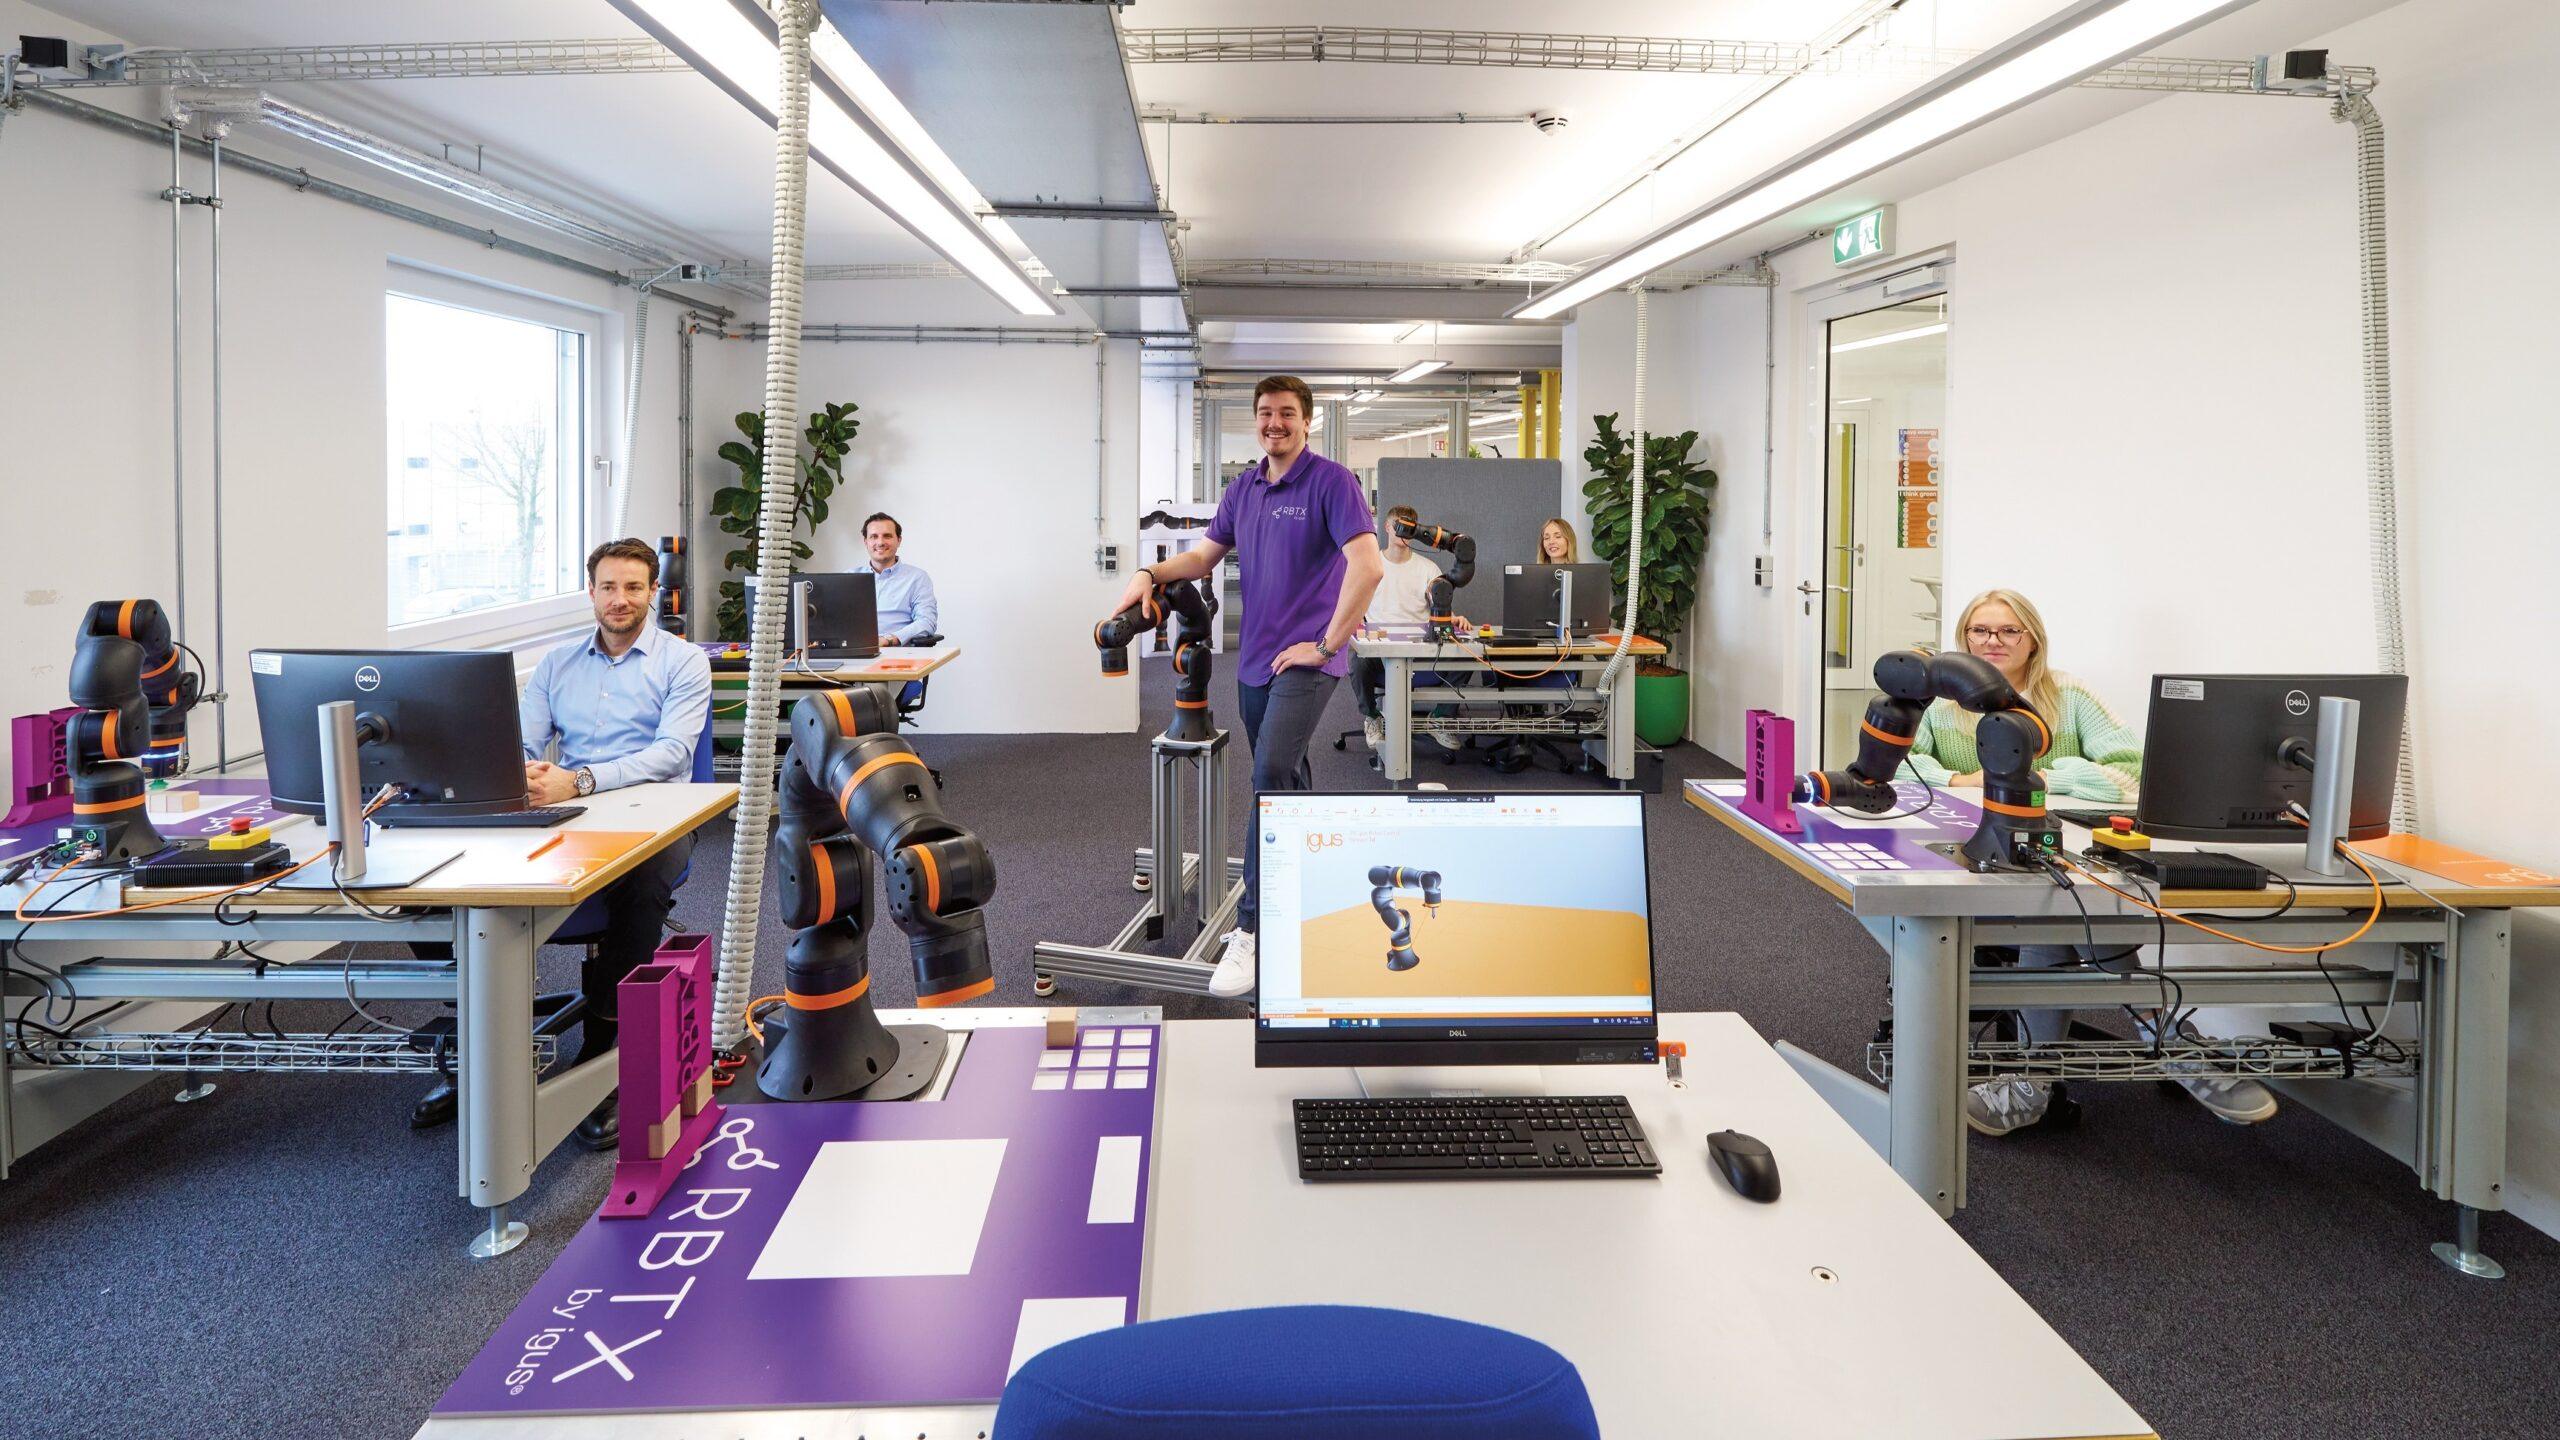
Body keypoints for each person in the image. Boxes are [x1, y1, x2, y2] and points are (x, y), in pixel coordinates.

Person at [1904, 587, 2275, 1137]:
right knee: (2067, 907)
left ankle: (2032, 1083)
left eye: (2008, 630)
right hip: (1967, 859)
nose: (1992, 641)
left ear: (2033, 640)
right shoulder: (1938, 703)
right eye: (1979, 630)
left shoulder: (2069, 696)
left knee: (2060, 907)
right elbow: (1903, 770)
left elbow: (2132, 770)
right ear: (1964, 639)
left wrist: (2038, 776)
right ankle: (2170, 1040)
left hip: (2054, 856)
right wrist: (1967, 779)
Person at [407, 538, 714, 1150]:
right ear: (591, 592)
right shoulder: (556, 663)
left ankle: (604, 1052)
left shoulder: (683, 662)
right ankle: (478, 1045)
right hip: (563, 807)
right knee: (432, 880)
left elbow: (672, 753)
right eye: (609, 587)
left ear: (653, 592)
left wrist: (582, 780)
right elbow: (520, 741)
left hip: (654, 813)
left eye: (633, 587)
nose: (620, 599)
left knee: (643, 882)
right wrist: (519, 771)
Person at [1099, 375, 1383, 999]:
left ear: (1307, 421)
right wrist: (1148, 571)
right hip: (1254, 661)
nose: (1274, 423)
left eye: (1287, 413)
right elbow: (1202, 557)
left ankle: (1255, 929)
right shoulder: (1243, 489)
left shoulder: (1333, 482)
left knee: (1269, 775)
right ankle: (1306, 884)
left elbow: (1369, 567)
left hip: (1307, 661)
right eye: (1265, 413)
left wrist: (1327, 644)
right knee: (1286, 776)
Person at [1352, 504, 1442, 751]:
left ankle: (1439, 718)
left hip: (1420, 649)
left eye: (1410, 528)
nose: (1404, 532)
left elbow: (1439, 604)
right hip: (1380, 648)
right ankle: (1372, 716)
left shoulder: (1428, 568)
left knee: (1465, 658)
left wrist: (1450, 614)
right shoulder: (1371, 566)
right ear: (1387, 527)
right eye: (1399, 526)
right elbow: (1354, 604)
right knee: (1357, 661)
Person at [861, 511, 939, 649]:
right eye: (874, 536)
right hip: (852, 654)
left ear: (899, 540)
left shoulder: (917, 578)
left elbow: (927, 622)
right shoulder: (848, 578)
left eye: (887, 536)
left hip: (897, 653)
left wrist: (888, 639)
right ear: (866, 542)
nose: (880, 542)